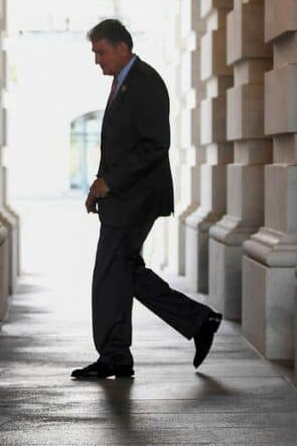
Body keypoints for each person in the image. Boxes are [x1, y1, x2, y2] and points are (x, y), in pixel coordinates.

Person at [72, 19, 223, 380]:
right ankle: (196, 322)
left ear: (123, 47)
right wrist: (100, 184)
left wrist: (111, 182)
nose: (97, 60)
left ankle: (114, 355)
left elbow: (155, 146)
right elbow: (121, 145)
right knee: (125, 273)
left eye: (101, 52)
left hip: (136, 200)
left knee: (109, 275)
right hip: (122, 198)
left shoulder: (145, 83)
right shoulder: (123, 83)